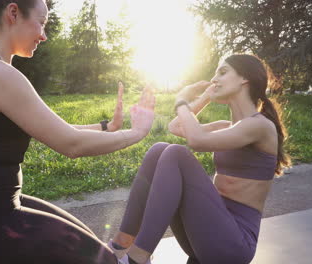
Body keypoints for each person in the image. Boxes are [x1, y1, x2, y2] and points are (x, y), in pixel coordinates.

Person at [0, 0, 155, 263]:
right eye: (41, 23)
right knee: (104, 261)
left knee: (100, 252)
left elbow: (52, 128)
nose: (43, 35)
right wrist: (137, 133)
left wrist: (107, 128)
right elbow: (71, 144)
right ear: (12, 13)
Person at [108, 54, 292, 264]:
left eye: (222, 72)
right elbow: (175, 127)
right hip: (207, 234)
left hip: (234, 246)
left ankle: (137, 258)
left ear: (244, 79)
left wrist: (182, 101)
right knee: (159, 150)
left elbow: (196, 141)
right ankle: (120, 245)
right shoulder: (227, 126)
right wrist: (205, 96)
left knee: (176, 154)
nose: (214, 79)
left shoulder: (260, 125)